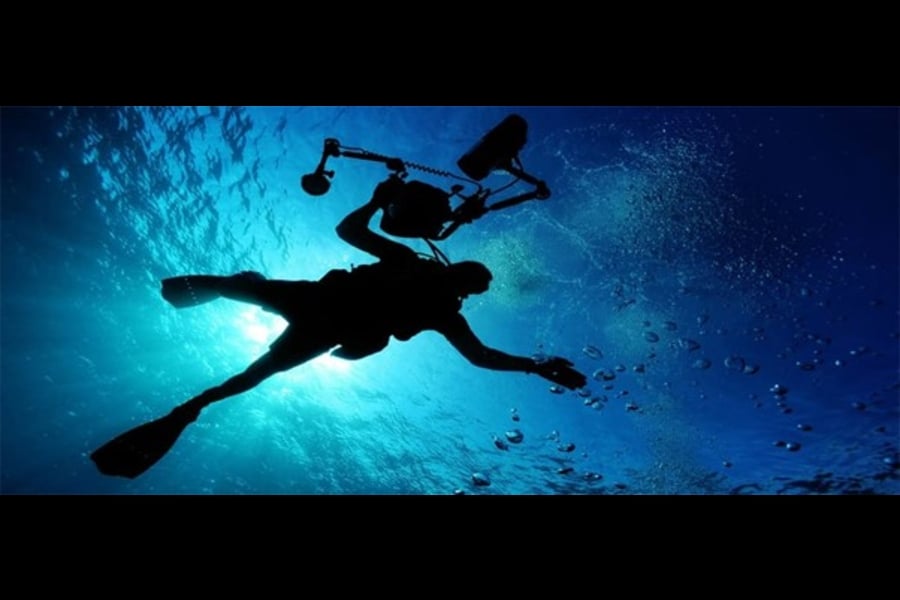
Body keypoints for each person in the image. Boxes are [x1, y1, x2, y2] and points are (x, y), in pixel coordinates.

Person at [91, 177, 586, 478]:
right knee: (234, 292)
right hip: (319, 303)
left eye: (471, 284)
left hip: (323, 323)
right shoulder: (411, 266)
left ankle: (187, 410)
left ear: (465, 290)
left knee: (253, 373)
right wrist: (375, 200)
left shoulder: (442, 311)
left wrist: (537, 367)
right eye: (469, 275)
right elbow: (349, 231)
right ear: (455, 271)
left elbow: (481, 357)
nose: (464, 283)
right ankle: (235, 291)